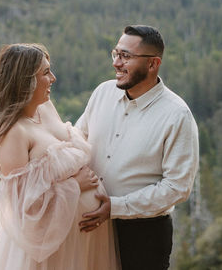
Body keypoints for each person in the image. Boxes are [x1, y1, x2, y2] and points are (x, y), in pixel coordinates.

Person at [0, 43, 120, 269]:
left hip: (84, 241)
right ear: (25, 79)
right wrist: (75, 185)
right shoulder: (13, 133)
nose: (53, 78)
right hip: (50, 252)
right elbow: (24, 211)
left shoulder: (44, 108)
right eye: (45, 72)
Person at [76, 24, 199, 270]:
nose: (116, 63)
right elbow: (77, 142)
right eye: (116, 53)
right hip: (89, 225)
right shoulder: (102, 93)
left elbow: (177, 187)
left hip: (143, 235)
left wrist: (117, 207)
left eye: (126, 56)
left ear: (153, 64)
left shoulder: (177, 115)